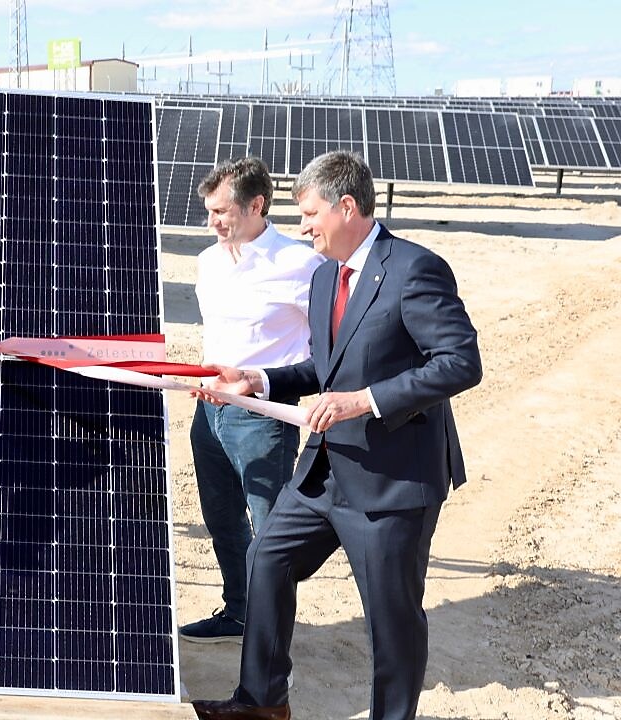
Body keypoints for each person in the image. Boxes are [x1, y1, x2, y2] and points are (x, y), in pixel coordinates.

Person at [191, 150, 482, 720]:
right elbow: (326, 369)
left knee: (391, 617)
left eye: (309, 214)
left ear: (347, 207)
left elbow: (459, 362)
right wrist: (260, 378)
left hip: (391, 477)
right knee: (267, 560)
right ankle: (262, 702)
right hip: (325, 469)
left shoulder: (413, 269)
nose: (301, 227)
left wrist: (366, 401)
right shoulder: (325, 275)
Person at [181, 157, 322, 644]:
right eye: (209, 212)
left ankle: (271, 633)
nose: (213, 222)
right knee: (222, 519)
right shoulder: (208, 261)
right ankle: (240, 612)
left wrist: (260, 381)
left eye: (222, 211)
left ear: (256, 205)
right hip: (209, 411)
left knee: (271, 532)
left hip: (262, 418)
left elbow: (325, 349)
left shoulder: (302, 264)